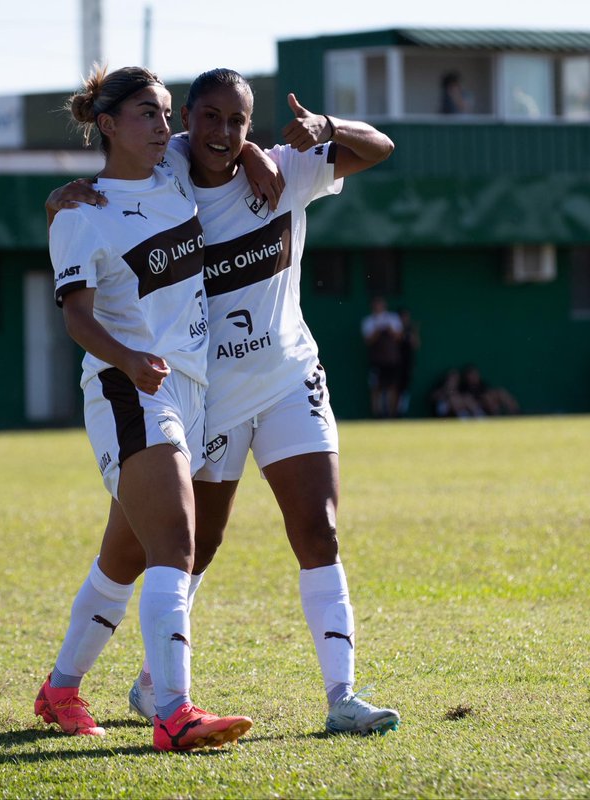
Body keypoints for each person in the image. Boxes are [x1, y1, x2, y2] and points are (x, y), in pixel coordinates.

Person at [46, 68, 400, 736]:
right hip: (201, 396)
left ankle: (341, 697)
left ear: (250, 124)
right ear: (187, 118)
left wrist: (322, 129)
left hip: (288, 377)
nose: (221, 132)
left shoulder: (275, 168)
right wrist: (63, 200)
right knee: (180, 547)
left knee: (316, 527)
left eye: (237, 121)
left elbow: (379, 146)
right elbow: (93, 209)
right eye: (206, 117)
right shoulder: (166, 169)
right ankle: (136, 688)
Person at [35, 65, 254, 752]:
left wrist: (257, 159)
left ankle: (61, 690)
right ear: (106, 125)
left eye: (166, 113)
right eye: (146, 115)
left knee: (122, 559)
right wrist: (128, 359)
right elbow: (75, 317)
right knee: (176, 545)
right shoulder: (80, 212)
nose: (165, 127)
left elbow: (226, 139)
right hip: (128, 389)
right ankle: (174, 711)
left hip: (188, 389)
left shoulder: (172, 177)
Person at [361, 296, 404, 418]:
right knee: (376, 388)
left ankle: (392, 415)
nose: (378, 306)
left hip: (392, 360)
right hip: (376, 361)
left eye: (381, 303)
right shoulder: (368, 321)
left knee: (392, 387)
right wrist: (378, 330)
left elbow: (399, 337)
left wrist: (389, 330)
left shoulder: (393, 318)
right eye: (376, 304)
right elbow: (368, 340)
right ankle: (377, 415)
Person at [395, 308, 420, 417]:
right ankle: (388, 414)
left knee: (404, 390)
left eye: (406, 317)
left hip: (407, 364)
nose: (404, 320)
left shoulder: (410, 330)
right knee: (392, 388)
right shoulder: (393, 330)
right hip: (393, 364)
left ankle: (401, 413)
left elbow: (416, 344)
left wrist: (414, 333)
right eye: (402, 317)